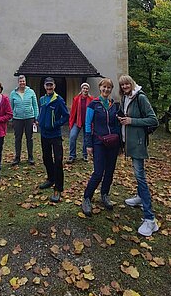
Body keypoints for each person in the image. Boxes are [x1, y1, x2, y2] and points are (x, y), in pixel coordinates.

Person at [117, 74, 159, 237]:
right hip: (129, 142)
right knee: (138, 174)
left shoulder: (140, 97)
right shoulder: (125, 98)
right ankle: (140, 197)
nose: (125, 86)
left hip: (138, 143)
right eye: (122, 85)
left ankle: (150, 219)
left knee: (140, 176)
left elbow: (152, 120)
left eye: (127, 84)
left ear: (131, 83)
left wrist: (131, 121)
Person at [82, 78, 121, 217]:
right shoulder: (93, 104)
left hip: (113, 143)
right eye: (104, 87)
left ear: (111, 89)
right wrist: (88, 144)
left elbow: (117, 124)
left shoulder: (114, 105)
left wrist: (120, 142)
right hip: (98, 142)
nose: (106, 90)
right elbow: (87, 125)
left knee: (110, 171)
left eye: (109, 87)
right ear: (100, 88)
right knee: (98, 172)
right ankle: (87, 197)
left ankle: (105, 194)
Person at [37, 77, 69, 203]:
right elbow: (41, 112)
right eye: (47, 85)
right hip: (44, 134)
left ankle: (58, 188)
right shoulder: (42, 99)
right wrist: (39, 120)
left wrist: (55, 124)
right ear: (45, 86)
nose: (49, 87)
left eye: (51, 85)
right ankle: (51, 179)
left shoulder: (59, 100)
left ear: (54, 86)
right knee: (46, 158)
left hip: (55, 135)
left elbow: (66, 115)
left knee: (58, 160)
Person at [9, 75, 39, 165]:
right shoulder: (13, 93)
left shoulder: (31, 92)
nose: (22, 83)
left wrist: (36, 118)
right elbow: (11, 107)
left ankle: (30, 157)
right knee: (18, 138)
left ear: (25, 82)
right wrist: (11, 119)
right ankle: (17, 157)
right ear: (18, 82)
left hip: (29, 118)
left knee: (29, 138)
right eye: (20, 81)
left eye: (23, 81)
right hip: (17, 119)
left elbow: (35, 105)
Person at [67, 82, 94, 163]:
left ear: (88, 90)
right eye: (84, 88)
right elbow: (72, 111)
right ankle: (72, 155)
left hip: (87, 122)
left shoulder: (91, 100)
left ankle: (85, 155)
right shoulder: (76, 99)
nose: (85, 90)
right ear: (81, 89)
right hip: (77, 121)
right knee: (72, 136)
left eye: (86, 88)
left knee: (86, 138)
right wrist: (71, 122)